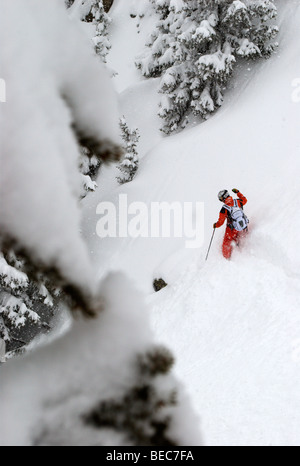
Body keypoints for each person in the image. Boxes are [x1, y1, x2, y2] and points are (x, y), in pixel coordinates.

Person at [214, 189, 249, 260]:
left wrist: (215, 225)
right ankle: (238, 250)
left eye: (220, 199)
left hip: (231, 229)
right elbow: (244, 200)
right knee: (236, 237)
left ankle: (226, 258)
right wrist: (238, 192)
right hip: (241, 225)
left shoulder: (224, 208)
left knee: (226, 243)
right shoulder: (237, 201)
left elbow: (220, 222)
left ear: (223, 198)